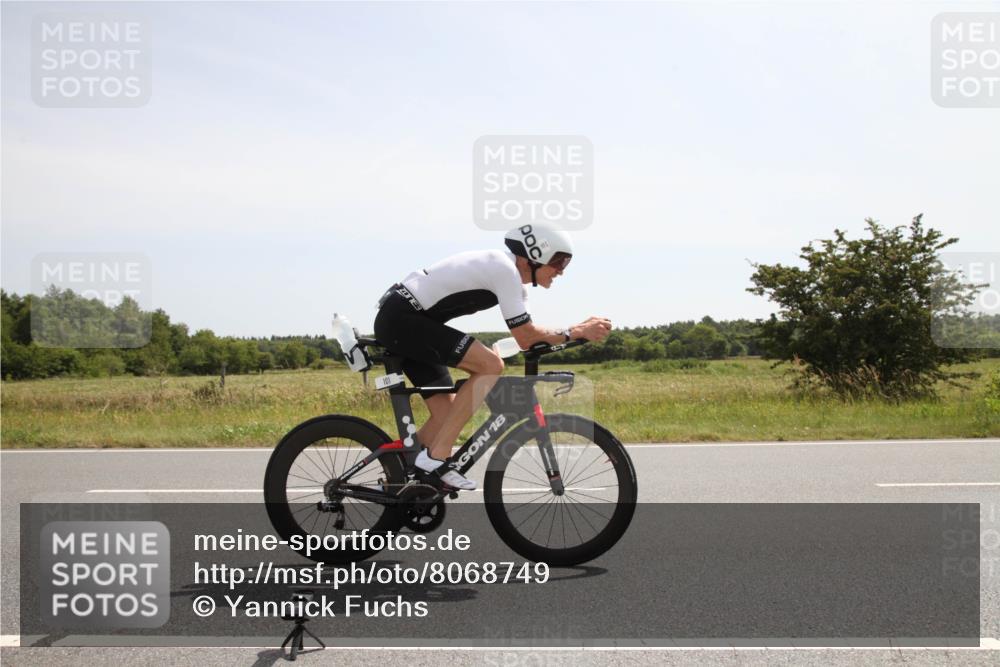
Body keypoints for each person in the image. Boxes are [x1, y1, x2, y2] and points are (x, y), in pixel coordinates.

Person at [373, 223, 612, 490]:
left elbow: (530, 338)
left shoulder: (513, 282)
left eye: (564, 264)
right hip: (402, 319)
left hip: (412, 322)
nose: (560, 271)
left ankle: (403, 477)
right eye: (558, 262)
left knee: (447, 413)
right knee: (489, 365)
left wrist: (576, 334)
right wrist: (577, 330)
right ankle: (437, 459)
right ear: (533, 256)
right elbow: (526, 335)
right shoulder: (504, 269)